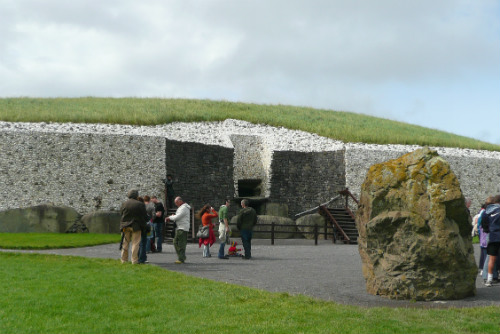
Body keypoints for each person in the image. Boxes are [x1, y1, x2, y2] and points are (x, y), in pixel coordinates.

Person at [120, 189, 147, 264]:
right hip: (136, 226)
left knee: (125, 244)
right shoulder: (140, 204)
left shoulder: (124, 204)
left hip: (125, 226)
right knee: (135, 244)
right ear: (136, 195)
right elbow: (144, 215)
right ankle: (134, 260)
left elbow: (121, 214)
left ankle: (123, 260)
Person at [165, 196, 191, 264]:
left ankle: (181, 258)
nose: (176, 204)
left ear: (180, 201)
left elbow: (178, 216)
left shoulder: (184, 208)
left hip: (182, 228)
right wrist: (173, 216)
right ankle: (182, 256)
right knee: (176, 242)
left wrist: (170, 217)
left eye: (176, 202)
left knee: (180, 244)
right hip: (180, 227)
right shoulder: (183, 207)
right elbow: (178, 216)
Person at [482, 195, 500, 287]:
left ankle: (489, 279)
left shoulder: (487, 212)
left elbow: (484, 223)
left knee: (491, 259)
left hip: (493, 236)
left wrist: (487, 230)